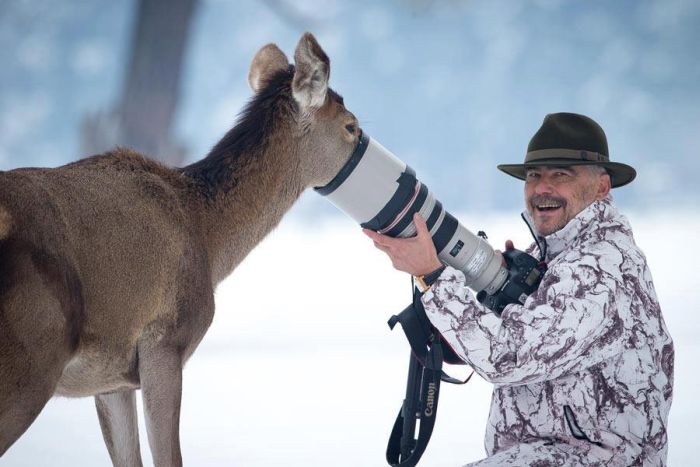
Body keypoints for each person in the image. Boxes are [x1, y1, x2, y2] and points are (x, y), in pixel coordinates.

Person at [363, 113, 674, 466]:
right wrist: (489, 294)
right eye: (533, 176)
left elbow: (507, 357)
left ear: (602, 187)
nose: (542, 188)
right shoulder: (556, 258)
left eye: (561, 175)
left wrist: (433, 277)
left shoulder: (600, 267)